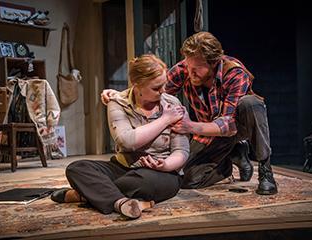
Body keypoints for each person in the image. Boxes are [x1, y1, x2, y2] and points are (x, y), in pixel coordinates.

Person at [102, 32, 277, 195]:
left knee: (251, 104)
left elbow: (228, 125)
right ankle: (231, 158)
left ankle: (265, 169)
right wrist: (121, 95)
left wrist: (189, 126)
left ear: (213, 63)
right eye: (188, 64)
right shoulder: (186, 68)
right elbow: (153, 88)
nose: (190, 71)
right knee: (185, 178)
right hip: (207, 133)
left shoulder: (235, 74)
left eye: (197, 68)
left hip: (236, 128)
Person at [51, 54, 190, 219]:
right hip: (124, 167)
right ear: (136, 85)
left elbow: (181, 151)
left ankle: (86, 195)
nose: (162, 91)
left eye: (164, 85)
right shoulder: (118, 102)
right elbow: (127, 142)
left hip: (161, 173)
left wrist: (164, 165)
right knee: (77, 168)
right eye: (155, 88)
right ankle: (122, 202)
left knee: (139, 183)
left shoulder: (173, 104)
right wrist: (165, 119)